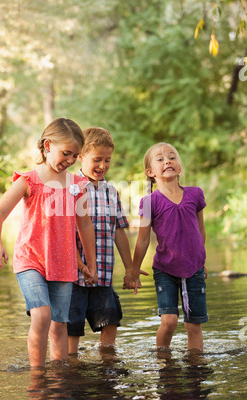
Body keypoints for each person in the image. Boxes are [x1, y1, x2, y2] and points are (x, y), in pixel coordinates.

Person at [0, 118, 97, 367]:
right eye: (66, 153)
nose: (70, 160)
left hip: (63, 264)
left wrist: (90, 263)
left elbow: (85, 225)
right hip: (31, 260)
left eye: (74, 156)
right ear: (48, 145)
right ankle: (37, 377)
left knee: (59, 324)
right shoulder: (28, 181)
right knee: (42, 315)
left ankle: (58, 380)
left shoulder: (76, 185)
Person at [131, 142, 208, 352]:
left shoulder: (195, 194)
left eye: (172, 157)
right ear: (150, 172)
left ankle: (195, 367)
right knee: (169, 321)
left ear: (179, 167)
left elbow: (200, 231)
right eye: (160, 159)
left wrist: (203, 262)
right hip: (165, 270)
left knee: (194, 325)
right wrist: (134, 271)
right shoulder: (149, 202)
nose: (167, 161)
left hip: (194, 269)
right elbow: (143, 240)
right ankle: (164, 364)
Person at [68, 127, 138, 353]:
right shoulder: (71, 188)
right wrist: (82, 265)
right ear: (81, 157)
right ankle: (72, 366)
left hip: (104, 274)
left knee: (110, 319)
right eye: (96, 159)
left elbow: (119, 230)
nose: (102, 165)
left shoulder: (111, 192)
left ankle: (107, 363)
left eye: (107, 160)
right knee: (72, 326)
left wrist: (130, 268)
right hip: (74, 275)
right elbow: (65, 233)